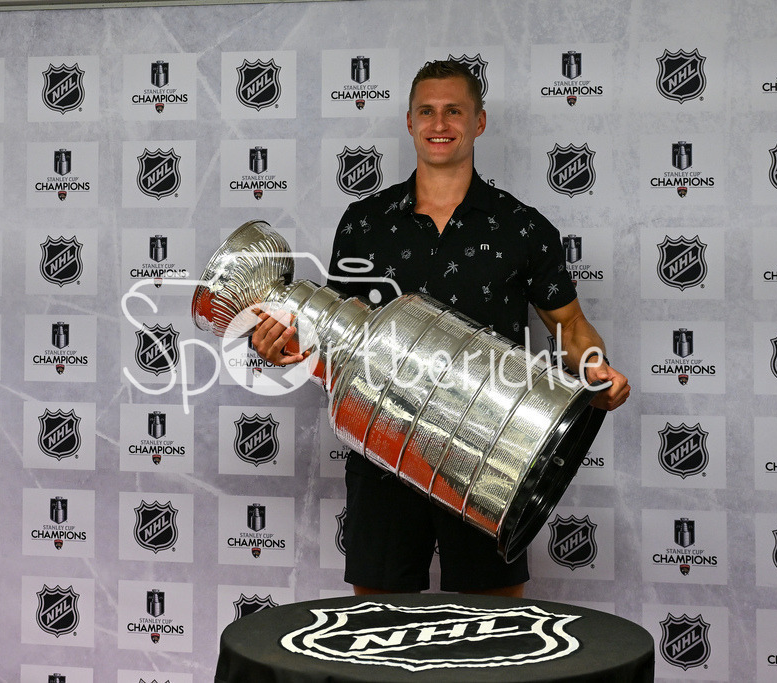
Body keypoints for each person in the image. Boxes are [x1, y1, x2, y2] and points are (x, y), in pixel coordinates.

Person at [252, 60, 629, 597]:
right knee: (378, 635)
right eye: (427, 111)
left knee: (493, 633)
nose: (440, 122)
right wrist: (286, 345)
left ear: (479, 121)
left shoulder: (523, 226)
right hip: (381, 450)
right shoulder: (364, 223)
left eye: (455, 110)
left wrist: (594, 367)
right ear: (409, 122)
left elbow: (568, 324)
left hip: (492, 457)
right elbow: (335, 339)